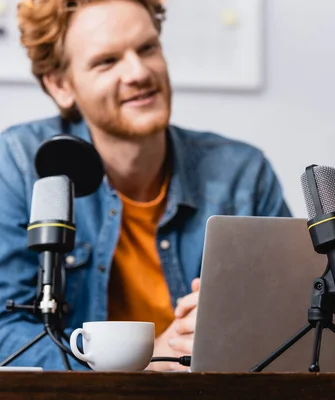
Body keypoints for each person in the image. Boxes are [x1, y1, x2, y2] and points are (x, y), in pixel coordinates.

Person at [0, 0, 291, 371]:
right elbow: (4, 331)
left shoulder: (243, 173)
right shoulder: (20, 164)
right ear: (60, 85)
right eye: (107, 61)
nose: (138, 72)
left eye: (147, 48)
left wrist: (239, 327)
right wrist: (145, 360)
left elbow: (296, 318)